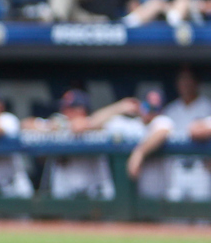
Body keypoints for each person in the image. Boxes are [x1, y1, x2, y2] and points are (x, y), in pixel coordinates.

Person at [25, 89, 114, 200]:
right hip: (65, 195)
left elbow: (79, 126)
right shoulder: (57, 126)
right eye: (63, 107)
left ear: (82, 109)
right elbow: (26, 124)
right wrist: (47, 126)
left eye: (69, 108)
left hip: (95, 193)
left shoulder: (97, 125)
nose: (64, 111)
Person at [85, 89, 172, 199]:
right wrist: (120, 107)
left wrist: (139, 153)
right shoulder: (130, 124)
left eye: (154, 108)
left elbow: (162, 132)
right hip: (132, 196)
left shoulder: (162, 121)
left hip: (160, 196)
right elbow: (91, 124)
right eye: (147, 106)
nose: (150, 111)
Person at [161, 66, 211, 201]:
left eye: (189, 80)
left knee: (202, 217)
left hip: (200, 169)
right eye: (182, 80)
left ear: (196, 83)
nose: (185, 84)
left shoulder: (207, 107)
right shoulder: (170, 110)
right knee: (173, 217)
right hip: (176, 169)